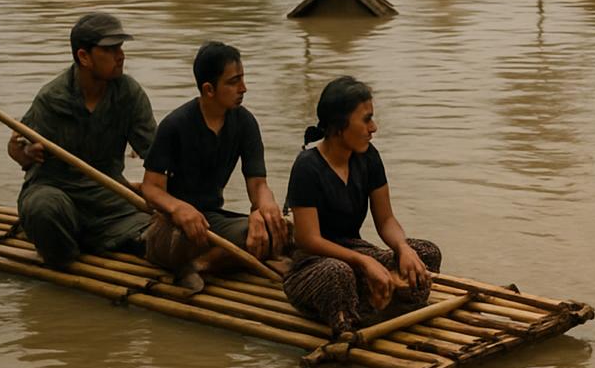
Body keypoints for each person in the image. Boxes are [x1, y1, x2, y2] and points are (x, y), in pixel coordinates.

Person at [282, 77, 441, 336]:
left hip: (356, 253)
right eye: (366, 120)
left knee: (425, 253)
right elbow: (308, 239)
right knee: (338, 273)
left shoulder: (369, 157)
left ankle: (367, 306)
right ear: (339, 126)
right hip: (315, 264)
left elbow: (386, 220)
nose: (373, 127)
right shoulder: (307, 167)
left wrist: (402, 248)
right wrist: (364, 262)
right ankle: (359, 314)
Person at [7, 13, 157, 268]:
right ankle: (66, 248)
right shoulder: (52, 98)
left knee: (155, 237)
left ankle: (90, 237)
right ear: (84, 57)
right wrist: (26, 152)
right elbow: (16, 148)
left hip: (107, 197)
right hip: (56, 189)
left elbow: (156, 154)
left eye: (120, 48)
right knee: (44, 210)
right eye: (110, 50)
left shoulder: (129, 94)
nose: (120, 56)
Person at [140, 42, 287, 291]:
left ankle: (200, 266)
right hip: (173, 227)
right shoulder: (175, 125)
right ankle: (222, 260)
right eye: (233, 82)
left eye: (243, 79)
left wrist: (265, 208)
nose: (243, 89)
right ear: (209, 89)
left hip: (212, 220)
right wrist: (178, 208)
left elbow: (258, 184)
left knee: (284, 230)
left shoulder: (244, 122)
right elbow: (151, 188)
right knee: (246, 239)